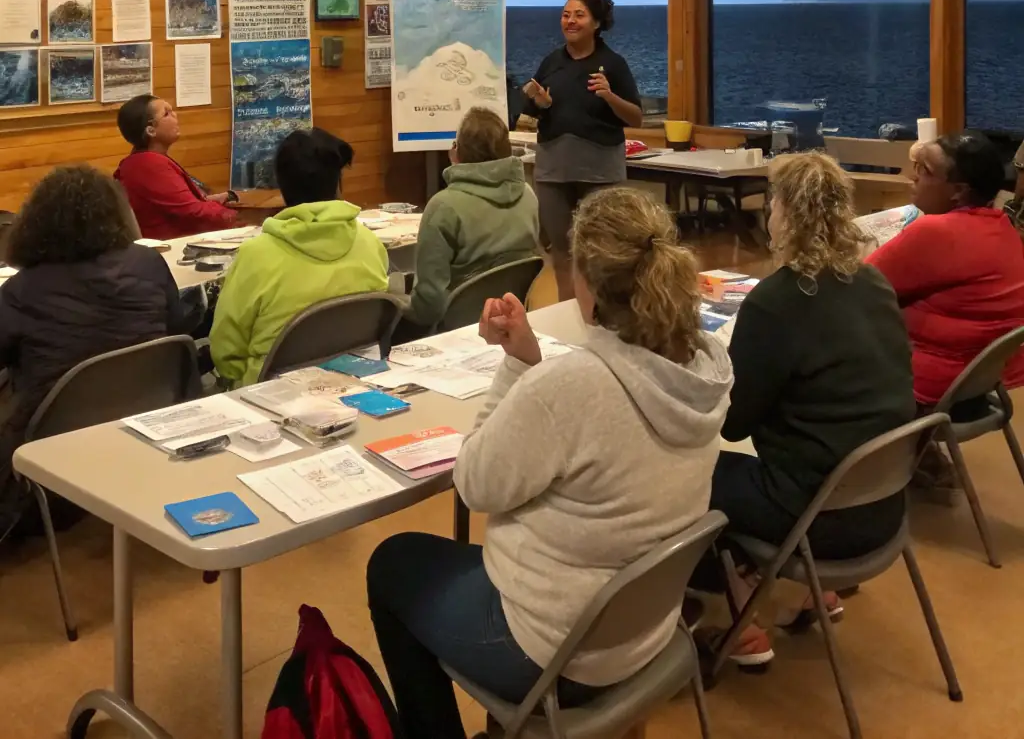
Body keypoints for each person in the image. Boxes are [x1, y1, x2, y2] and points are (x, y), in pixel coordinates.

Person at [366, 186, 732, 739]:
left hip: (554, 649)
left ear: (585, 283)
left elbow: (474, 483)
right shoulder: (702, 368)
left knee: (393, 563)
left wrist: (516, 373)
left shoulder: (571, 387)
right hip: (646, 631)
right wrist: (528, 359)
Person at [710, 151, 916, 667]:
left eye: (773, 204)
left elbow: (733, 421)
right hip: (884, 502)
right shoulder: (872, 283)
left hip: (815, 517)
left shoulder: (775, 303)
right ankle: (812, 591)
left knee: (690, 471)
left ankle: (742, 627)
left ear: (786, 212)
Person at [0, 165, 185, 535]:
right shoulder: (148, 264)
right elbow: (177, 328)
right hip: (145, 410)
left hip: (50, 434)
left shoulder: (22, 290)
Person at [210, 128, 389, 387]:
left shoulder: (255, 255)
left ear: (282, 185)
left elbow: (226, 350)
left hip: (272, 390)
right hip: (357, 380)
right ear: (337, 182)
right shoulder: (369, 243)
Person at [867, 130, 1024, 407]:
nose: (913, 176)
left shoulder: (935, 232)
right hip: (984, 383)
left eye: (924, 171)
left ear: (958, 191)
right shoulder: (1001, 226)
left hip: (929, 386)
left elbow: (852, 285)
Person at [522, 0, 643, 300]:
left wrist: (609, 95)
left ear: (597, 24)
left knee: (604, 251)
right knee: (561, 250)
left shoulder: (613, 64)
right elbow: (531, 111)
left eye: (579, 15)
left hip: (601, 172)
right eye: (565, 15)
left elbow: (636, 118)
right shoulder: (551, 62)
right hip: (553, 170)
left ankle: (604, 318)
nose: (570, 21)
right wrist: (542, 103)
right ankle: (568, 315)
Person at [398, 107, 540, 338]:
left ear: (459, 152)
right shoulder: (528, 194)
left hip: (454, 330)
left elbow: (428, 304)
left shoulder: (443, 206)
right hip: (512, 320)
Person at [114, 94, 237, 240]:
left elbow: (179, 204)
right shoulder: (148, 164)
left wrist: (211, 200)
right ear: (151, 130)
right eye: (167, 113)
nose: (175, 116)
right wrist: (242, 217)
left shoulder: (143, 161)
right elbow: (194, 213)